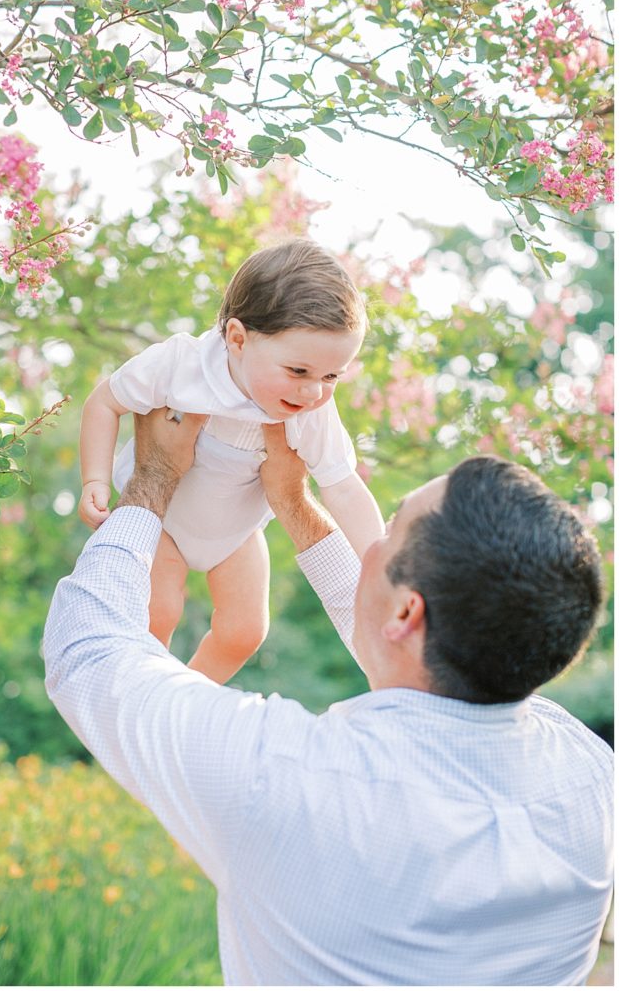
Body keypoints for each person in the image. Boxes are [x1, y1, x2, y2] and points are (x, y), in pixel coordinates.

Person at [44, 408, 613, 987]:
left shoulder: (287, 776)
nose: (371, 543)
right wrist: (292, 502)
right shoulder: (590, 775)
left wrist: (152, 480)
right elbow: (397, 645)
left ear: (408, 610)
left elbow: (87, 651)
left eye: (388, 530)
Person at [78, 239, 383, 683]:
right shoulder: (182, 365)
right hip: (161, 521)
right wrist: (95, 480)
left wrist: (378, 560)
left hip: (236, 532)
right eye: (298, 371)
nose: (313, 392)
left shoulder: (312, 411)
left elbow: (342, 485)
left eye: (332, 376)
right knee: (156, 613)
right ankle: (138, 695)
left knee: (245, 632)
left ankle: (183, 699)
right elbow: (105, 402)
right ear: (237, 339)